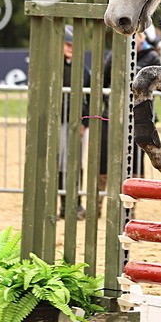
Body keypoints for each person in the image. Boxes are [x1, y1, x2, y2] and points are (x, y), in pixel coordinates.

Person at [59, 25, 91, 218]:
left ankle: (76, 203)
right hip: (59, 121)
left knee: (76, 163)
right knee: (61, 163)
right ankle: (64, 204)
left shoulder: (84, 70)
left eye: (73, 44)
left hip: (76, 121)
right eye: (67, 43)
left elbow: (87, 98)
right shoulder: (54, 67)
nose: (71, 47)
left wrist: (84, 120)